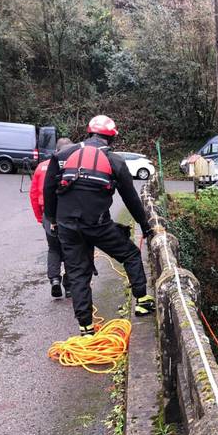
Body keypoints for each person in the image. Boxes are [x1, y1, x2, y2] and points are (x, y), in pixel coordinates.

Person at [43, 115, 155, 336]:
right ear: (111, 138)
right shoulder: (115, 162)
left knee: (77, 273)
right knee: (131, 254)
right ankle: (142, 301)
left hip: (67, 226)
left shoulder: (62, 155)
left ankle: (85, 328)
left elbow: (49, 190)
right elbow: (131, 199)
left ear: (89, 132)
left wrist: (53, 219)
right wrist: (146, 226)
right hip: (98, 226)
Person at [30, 137, 75, 298]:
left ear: (56, 150)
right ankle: (69, 286)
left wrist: (40, 218)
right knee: (72, 249)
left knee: (54, 248)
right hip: (69, 215)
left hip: (48, 216)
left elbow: (34, 195)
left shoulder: (42, 167)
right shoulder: (75, 167)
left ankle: (54, 280)